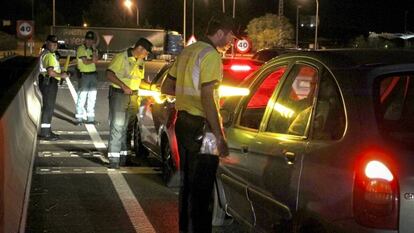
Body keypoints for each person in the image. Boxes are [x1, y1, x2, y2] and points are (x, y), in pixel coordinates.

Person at [161, 13, 234, 233]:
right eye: (230, 36)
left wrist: (186, 96)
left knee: (188, 186)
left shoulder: (188, 51)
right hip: (204, 129)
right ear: (220, 32)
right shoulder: (211, 55)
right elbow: (208, 98)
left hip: (183, 123)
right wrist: (219, 135)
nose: (231, 41)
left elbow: (166, 87)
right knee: (203, 190)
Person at [106, 38, 153, 169]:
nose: (146, 55)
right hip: (119, 95)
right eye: (146, 52)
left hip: (133, 96)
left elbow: (139, 80)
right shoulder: (122, 57)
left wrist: (152, 87)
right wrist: (123, 86)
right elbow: (109, 74)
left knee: (128, 127)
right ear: (139, 49)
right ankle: (114, 160)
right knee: (117, 125)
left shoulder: (141, 61)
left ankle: (124, 158)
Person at [38, 35, 69, 140]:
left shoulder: (49, 54)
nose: (55, 45)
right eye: (52, 43)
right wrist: (62, 76)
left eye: (56, 44)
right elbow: (51, 72)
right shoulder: (49, 56)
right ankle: (45, 133)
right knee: (48, 108)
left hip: (47, 83)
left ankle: (47, 130)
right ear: (47, 43)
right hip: (49, 83)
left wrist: (61, 73)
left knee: (48, 107)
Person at [75, 31, 99, 125]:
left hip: (93, 75)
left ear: (93, 41)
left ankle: (90, 119)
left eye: (91, 40)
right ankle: (79, 119)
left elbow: (95, 60)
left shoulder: (93, 50)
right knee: (82, 96)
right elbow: (85, 62)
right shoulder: (81, 49)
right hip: (84, 75)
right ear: (85, 40)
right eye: (88, 39)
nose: (89, 42)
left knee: (92, 97)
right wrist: (92, 60)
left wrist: (93, 52)